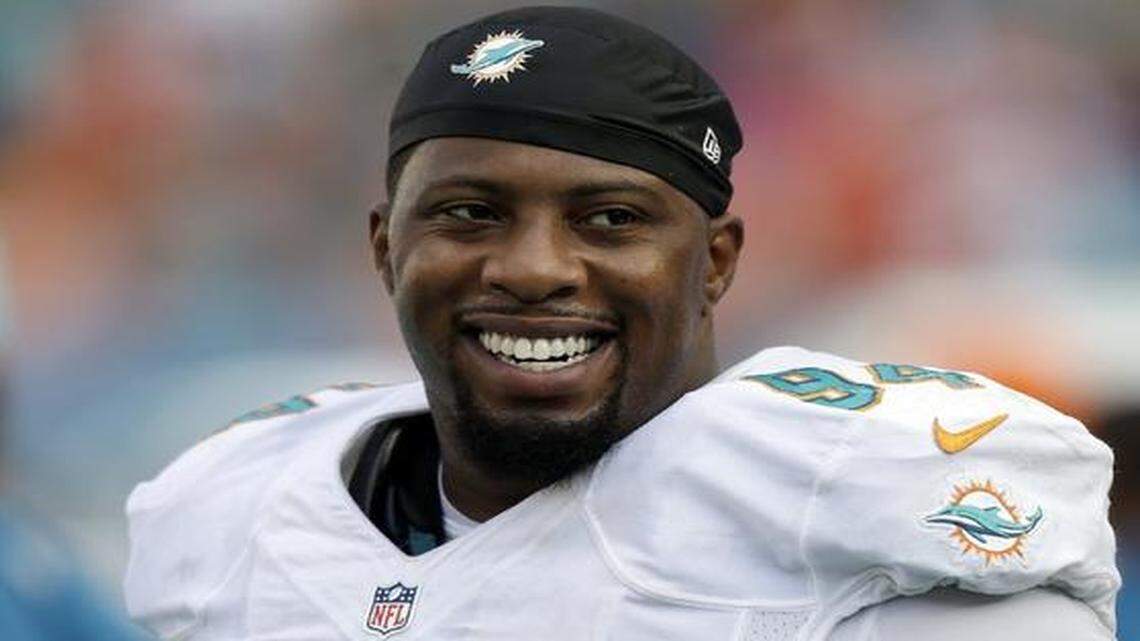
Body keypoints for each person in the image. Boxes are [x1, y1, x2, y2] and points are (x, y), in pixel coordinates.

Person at [123, 7, 1120, 640]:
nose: (533, 269)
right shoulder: (228, 504)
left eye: (610, 220)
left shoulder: (854, 495)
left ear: (717, 260)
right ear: (385, 246)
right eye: (469, 212)